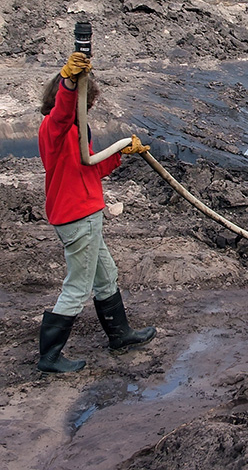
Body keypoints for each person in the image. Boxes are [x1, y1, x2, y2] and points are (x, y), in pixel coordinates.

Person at [36, 51, 156, 374]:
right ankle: (49, 357)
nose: (86, 111)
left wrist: (121, 152)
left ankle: (121, 335)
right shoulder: (55, 128)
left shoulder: (73, 133)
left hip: (85, 217)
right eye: (84, 105)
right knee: (77, 288)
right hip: (78, 219)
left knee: (106, 275)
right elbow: (63, 112)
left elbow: (88, 167)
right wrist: (69, 82)